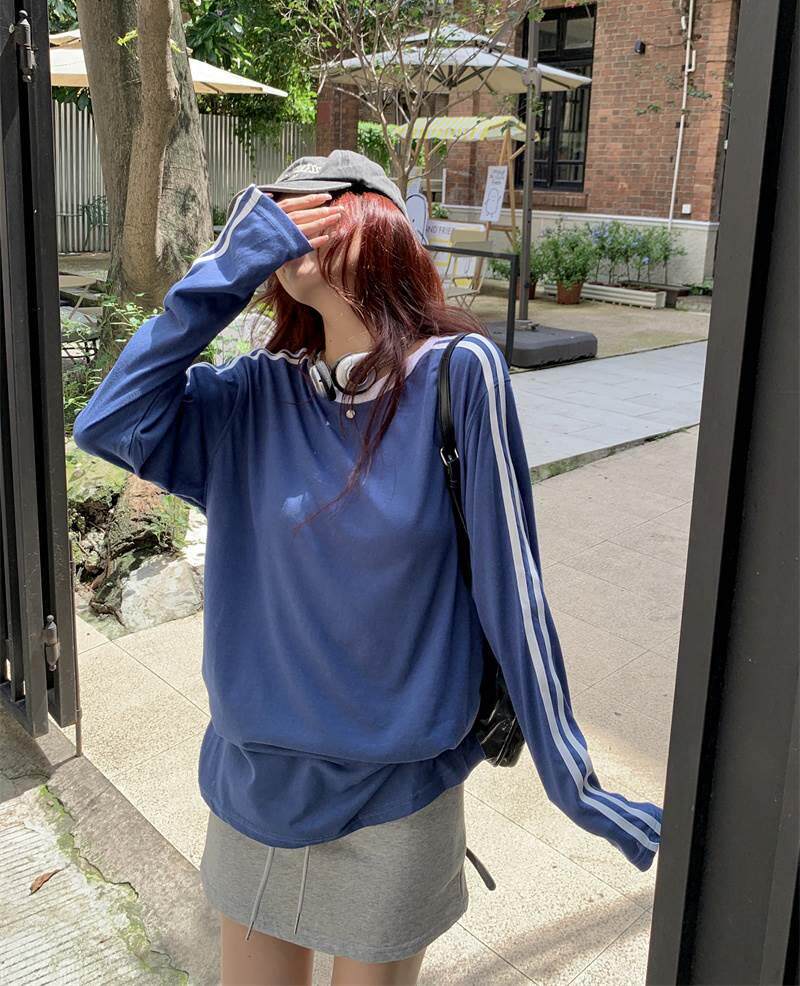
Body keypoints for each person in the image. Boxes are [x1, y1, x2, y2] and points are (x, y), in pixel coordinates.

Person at [72, 150, 662, 986]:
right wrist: (220, 274)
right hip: (255, 789)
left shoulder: (457, 376)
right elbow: (108, 421)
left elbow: (514, 591)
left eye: (312, 208)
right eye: (274, 215)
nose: (287, 226)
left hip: (396, 796)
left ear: (376, 223)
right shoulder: (252, 396)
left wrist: (580, 790)